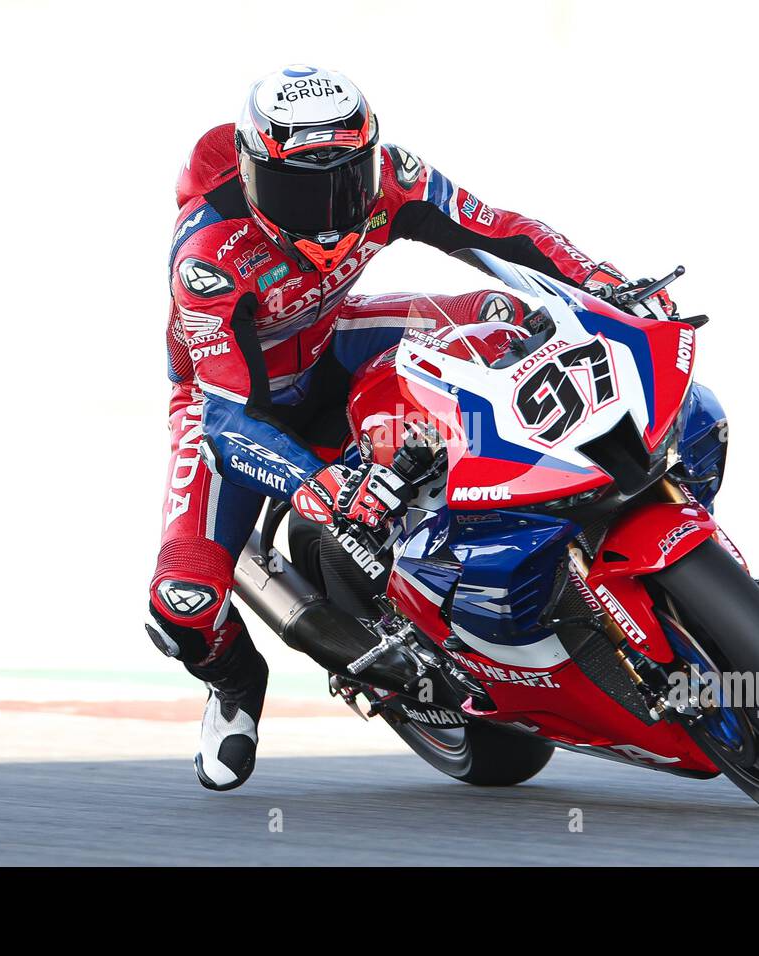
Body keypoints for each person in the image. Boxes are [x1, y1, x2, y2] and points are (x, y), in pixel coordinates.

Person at [147, 64, 670, 791]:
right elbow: (231, 417)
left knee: (511, 318)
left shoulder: (396, 176)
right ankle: (235, 688)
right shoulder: (208, 255)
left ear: (371, 157)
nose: (331, 211)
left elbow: (500, 233)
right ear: (252, 174)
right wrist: (313, 483)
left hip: (333, 340)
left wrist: (607, 284)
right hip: (232, 404)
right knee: (181, 606)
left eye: (346, 183)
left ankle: (539, 498)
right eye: (302, 189)